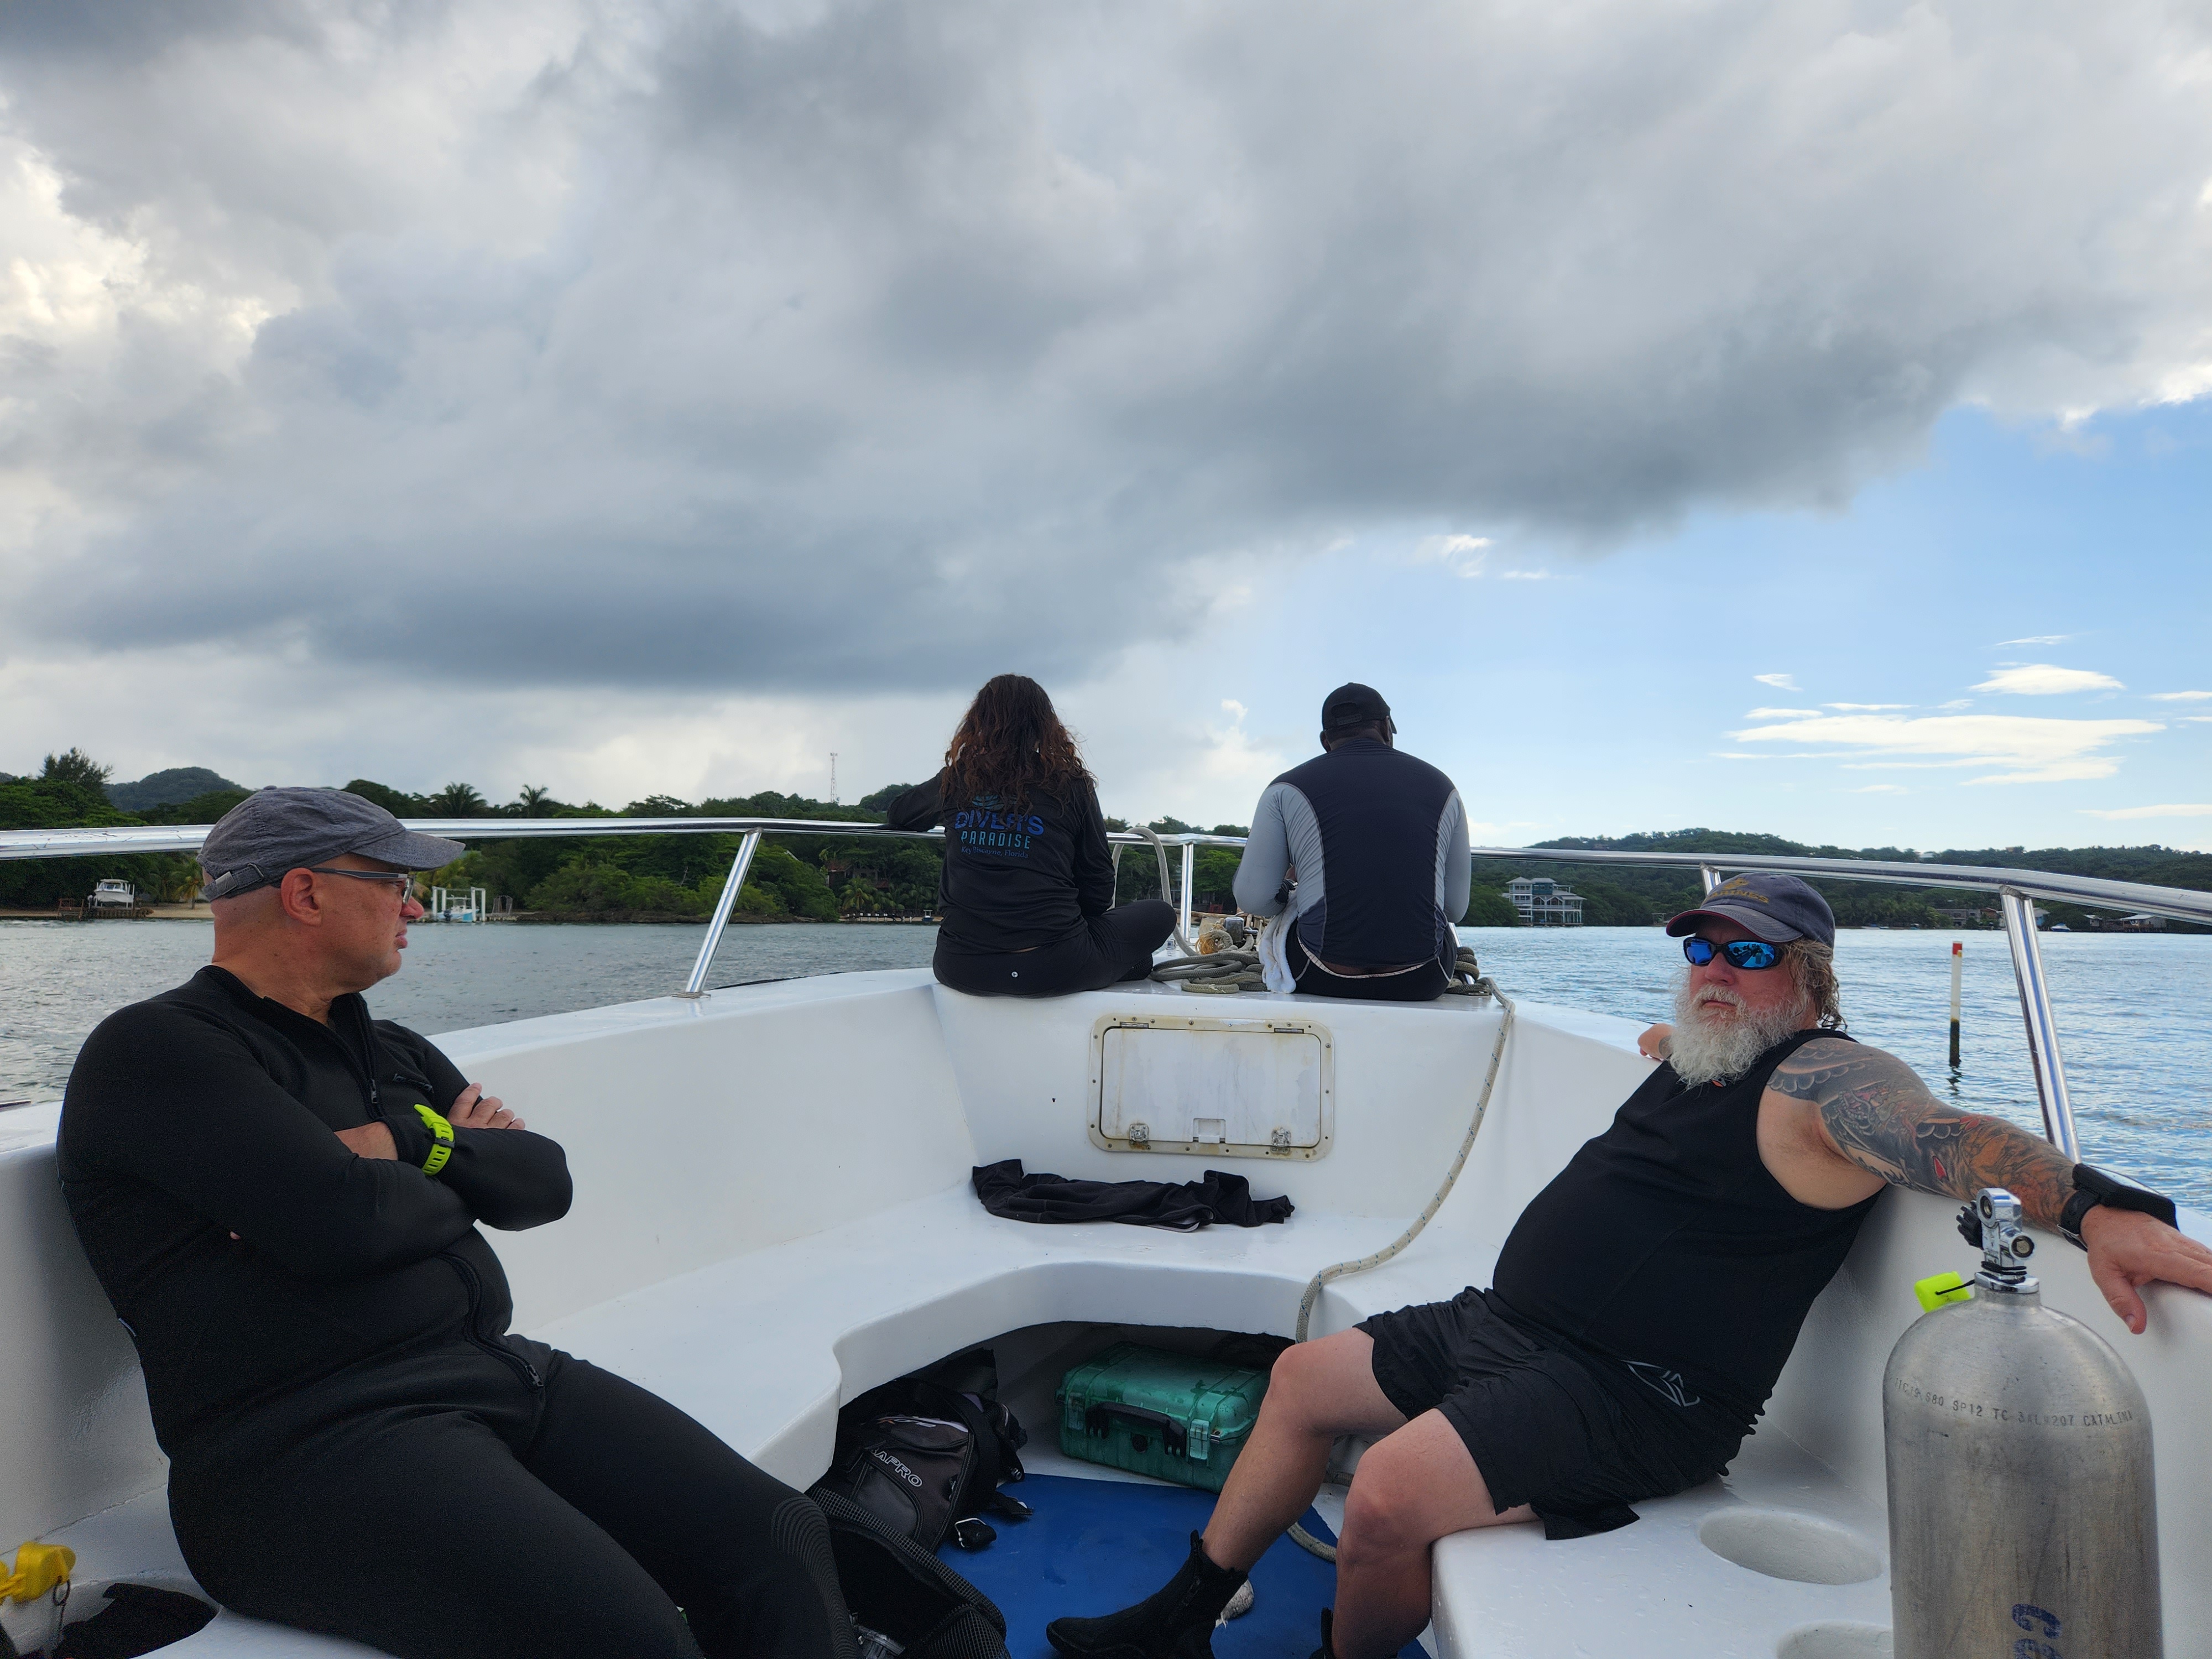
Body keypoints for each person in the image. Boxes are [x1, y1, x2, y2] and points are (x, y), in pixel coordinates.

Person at [1046, 872, 2212, 1659]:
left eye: (1748, 955)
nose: (1715, 971)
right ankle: (1183, 1615)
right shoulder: (1706, 1050)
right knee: (1302, 1379)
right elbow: (1685, 1035)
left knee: (1389, 1495)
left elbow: (1950, 1137)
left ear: (1810, 978)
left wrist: (2101, 1207)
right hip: (1509, 1329)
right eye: (1702, 949)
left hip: (1636, 1395)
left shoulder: (1825, 1081)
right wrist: (1682, 1029)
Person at [60, 788, 857, 1659]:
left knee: (781, 1537)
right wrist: (449, 1165)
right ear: (306, 893)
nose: (415, 908)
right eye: (395, 883)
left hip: (495, 1373)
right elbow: (346, 1226)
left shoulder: (390, 1050)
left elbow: (540, 1185)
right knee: (627, 1638)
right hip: (306, 1450)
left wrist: (406, 1144)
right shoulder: (161, 1050)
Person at [888, 674, 1175, 997]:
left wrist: (963, 776)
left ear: (978, 723)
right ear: (1044, 725)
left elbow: (900, 814)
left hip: (960, 967)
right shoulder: (1070, 783)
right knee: (1160, 914)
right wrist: (1074, 931)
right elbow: (1098, 880)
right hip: (1053, 967)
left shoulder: (958, 779)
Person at [1232, 683, 1470, 1002]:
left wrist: (1289, 894)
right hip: (1422, 979)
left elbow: (1253, 899)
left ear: (1325, 741)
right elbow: (1454, 908)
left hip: (1320, 974)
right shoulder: (1443, 787)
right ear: (1386, 728)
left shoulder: (1284, 788)